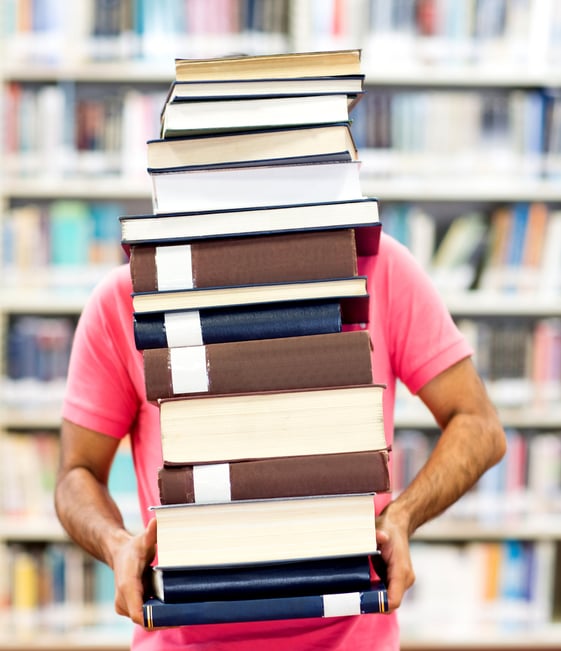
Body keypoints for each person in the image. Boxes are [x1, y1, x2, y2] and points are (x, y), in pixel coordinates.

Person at [55, 231, 506, 651]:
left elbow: (479, 425)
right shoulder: (124, 299)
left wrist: (402, 518)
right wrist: (117, 546)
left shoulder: (380, 269)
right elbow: (77, 473)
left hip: (353, 636)